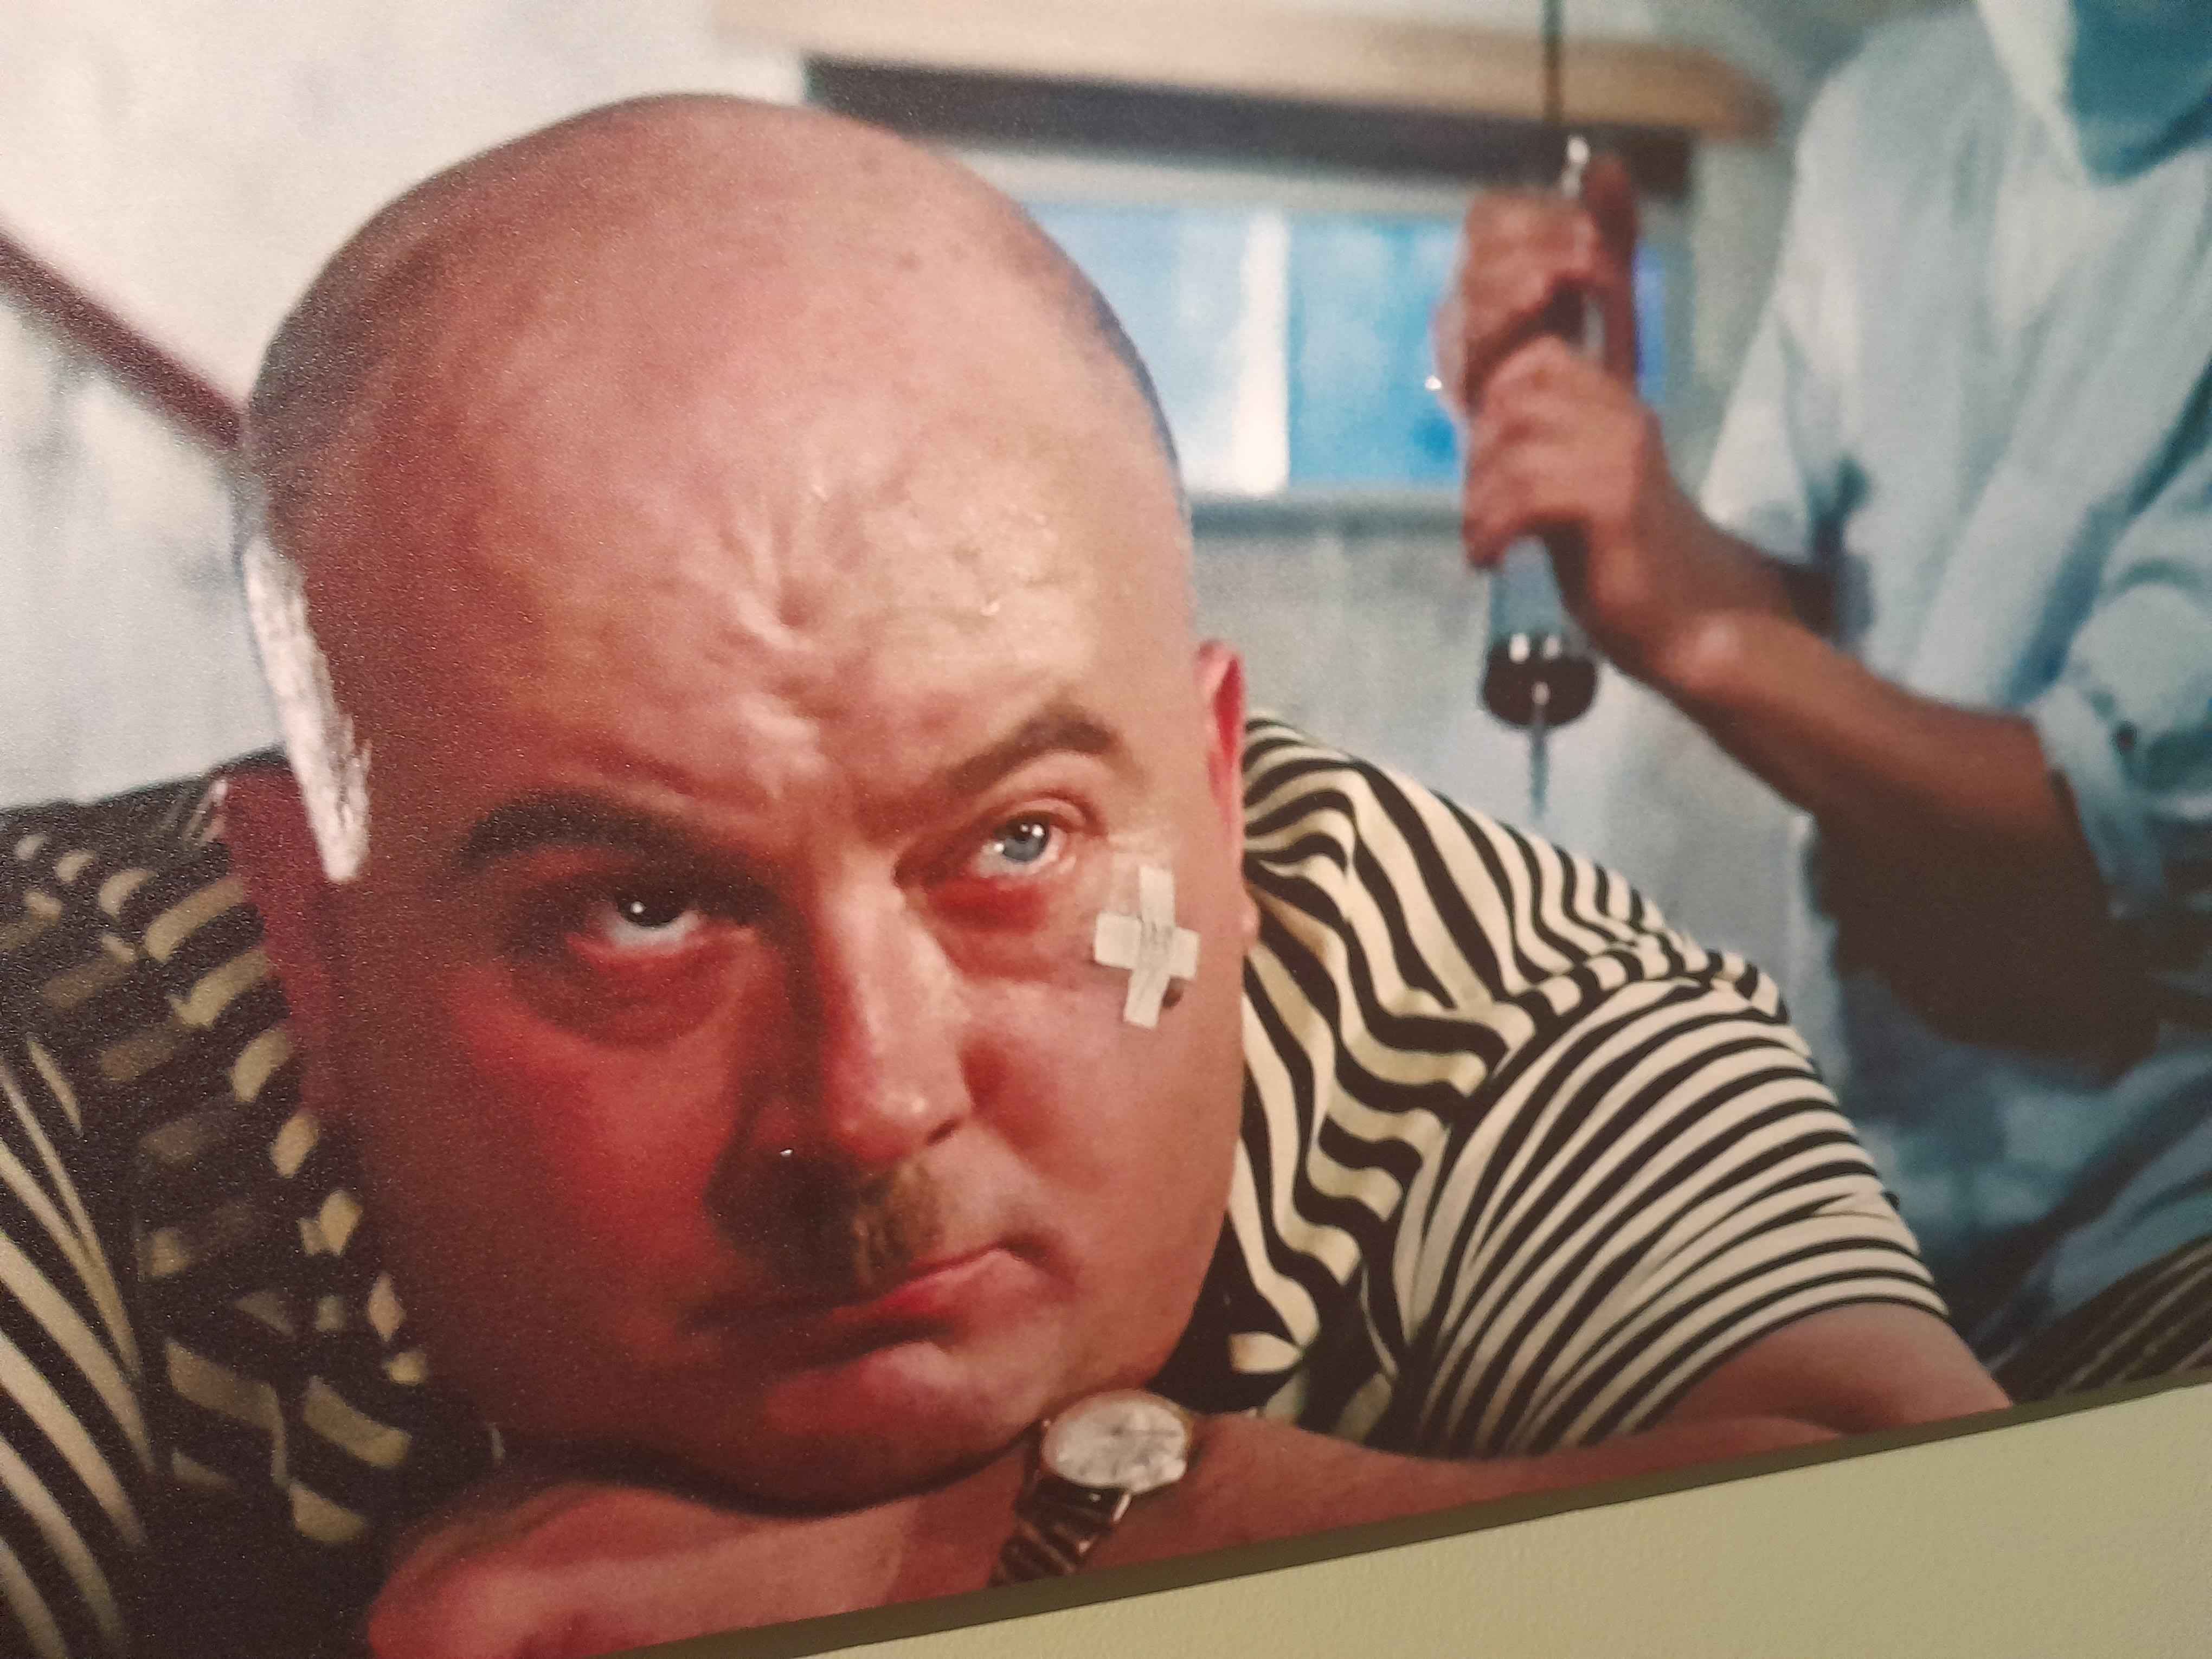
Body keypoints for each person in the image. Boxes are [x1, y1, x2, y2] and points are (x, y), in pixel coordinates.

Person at [0, 96, 2002, 1659]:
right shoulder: (78, 1041)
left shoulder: (1455, 989)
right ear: (312, 943)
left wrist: (1024, 1548)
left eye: (1019, 846)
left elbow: (1996, 1553)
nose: (873, 1099)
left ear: (1214, 796)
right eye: (640, 912)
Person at [1440, 0, 2212, 1386]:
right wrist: (1611, 499)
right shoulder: (1892, 110)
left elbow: (2101, 839)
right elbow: (1791, 625)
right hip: (1896, 1189)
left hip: (2171, 1233)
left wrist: (1701, 637)